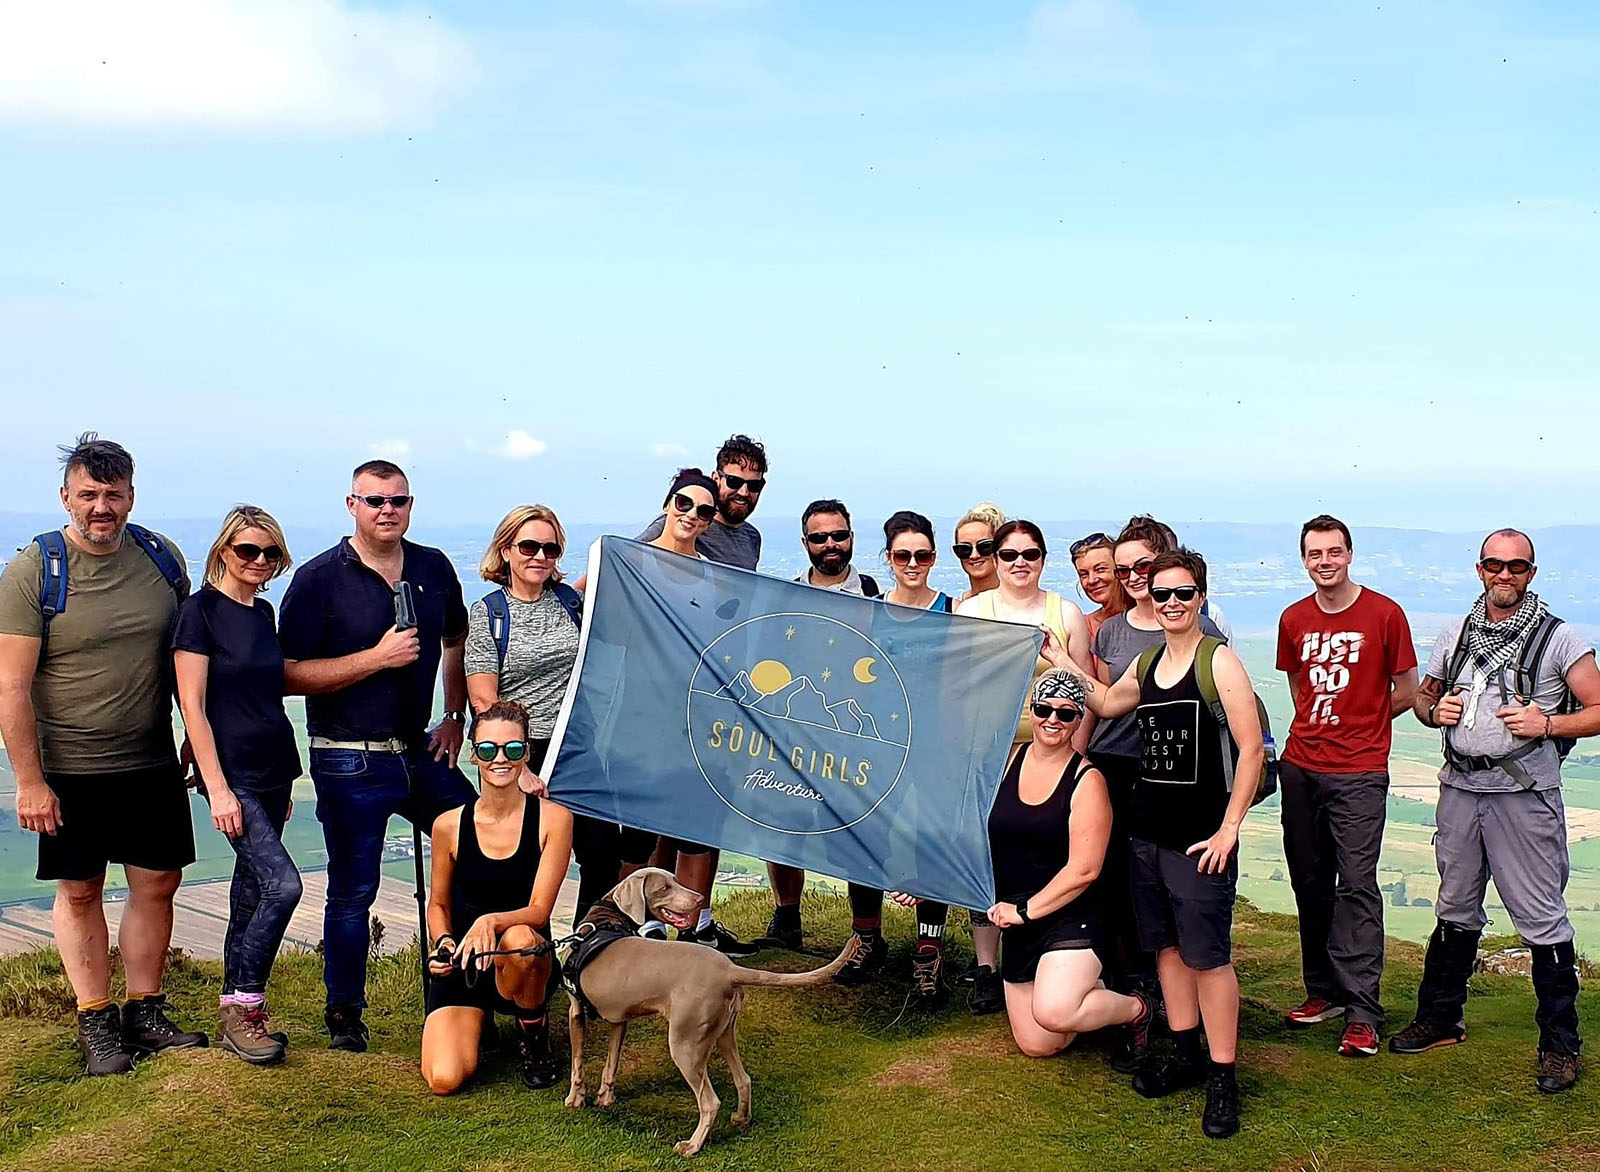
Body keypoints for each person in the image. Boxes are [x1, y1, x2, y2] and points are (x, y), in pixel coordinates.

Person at [0, 433, 207, 1075]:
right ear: (66, 497)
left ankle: (144, 1008)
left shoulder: (161, 557)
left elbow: (187, 661)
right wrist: (29, 782)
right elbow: (9, 685)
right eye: (88, 494)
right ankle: (96, 1020)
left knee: (158, 882)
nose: (101, 507)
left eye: (112, 495)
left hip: (149, 757)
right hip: (69, 766)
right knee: (81, 889)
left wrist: (193, 740)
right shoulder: (34, 570)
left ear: (130, 497)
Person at [278, 458, 477, 1052]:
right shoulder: (318, 580)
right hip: (347, 757)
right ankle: (344, 1017)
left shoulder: (432, 567)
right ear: (351, 505)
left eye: (398, 500)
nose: (387, 510)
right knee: (353, 891)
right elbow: (285, 674)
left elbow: (456, 637)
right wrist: (375, 658)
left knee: (478, 848)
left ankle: (469, 994)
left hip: (418, 749)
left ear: (410, 505)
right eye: (375, 501)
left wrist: (454, 715)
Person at [1392, 529, 1600, 1094]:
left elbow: (1599, 706)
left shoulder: (1561, 639)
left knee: (1540, 916)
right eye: (1493, 565)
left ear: (1532, 573)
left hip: (1524, 797)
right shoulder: (1456, 631)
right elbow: (1421, 697)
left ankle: (1559, 1048)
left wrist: (1549, 725)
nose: (1503, 575)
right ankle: (1439, 1019)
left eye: (1516, 567)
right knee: (1455, 903)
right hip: (1460, 788)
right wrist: (1435, 712)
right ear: (1479, 569)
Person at [1065, 548, 1260, 1140]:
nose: (1171, 603)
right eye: (1162, 593)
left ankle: (1224, 1075)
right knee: (1168, 951)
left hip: (1201, 840)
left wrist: (1229, 829)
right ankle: (1185, 1052)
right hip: (1147, 834)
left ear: (1201, 597)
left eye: (1184, 593)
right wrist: (1055, 658)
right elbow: (1102, 702)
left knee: (1209, 957)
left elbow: (1251, 751)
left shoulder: (1218, 661)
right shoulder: (1148, 664)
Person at [1275, 515, 1418, 1057]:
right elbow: (1297, 683)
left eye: (1334, 552)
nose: (1325, 561)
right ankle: (1324, 992)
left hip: (1359, 771)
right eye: (1315, 553)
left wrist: (1365, 727)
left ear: (1350, 554)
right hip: (1301, 764)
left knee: (1355, 884)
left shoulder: (1384, 614)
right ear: (1304, 559)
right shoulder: (1293, 618)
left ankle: (1363, 1011)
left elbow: (1404, 689)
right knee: (1308, 881)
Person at [1087, 517, 1226, 1063]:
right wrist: (1059, 661)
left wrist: (1229, 818)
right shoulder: (1117, 634)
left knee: (1183, 907)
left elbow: (1232, 728)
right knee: (1125, 893)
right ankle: (1139, 999)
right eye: (1125, 571)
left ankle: (1188, 1024)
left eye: (1143, 566)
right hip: (1119, 771)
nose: (1136, 578)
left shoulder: (1205, 637)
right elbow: (1104, 699)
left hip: (1179, 786)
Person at [173, 506, 304, 1065]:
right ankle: (245, 1007)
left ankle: (237, 1009)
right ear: (223, 550)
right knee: (285, 886)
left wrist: (286, 784)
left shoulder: (264, 612)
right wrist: (218, 788)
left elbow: (265, 696)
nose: (257, 562)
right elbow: (193, 708)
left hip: (275, 768)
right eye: (246, 550)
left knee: (250, 890)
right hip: (232, 775)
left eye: (268, 553)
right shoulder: (198, 612)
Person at [612, 469, 757, 956]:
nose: (692, 515)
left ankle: (692, 933)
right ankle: (636, 928)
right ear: (667, 504)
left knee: (695, 826)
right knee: (638, 830)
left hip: (698, 715)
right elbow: (586, 597)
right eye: (683, 504)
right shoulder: (635, 562)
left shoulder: (713, 575)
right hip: (643, 715)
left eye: (703, 511)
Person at [955, 519, 1092, 1015]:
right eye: (1007, 553)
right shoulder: (972, 611)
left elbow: (1087, 691)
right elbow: (954, 686)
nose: (1018, 563)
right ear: (994, 557)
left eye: (1029, 554)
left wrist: (1080, 758)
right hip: (986, 756)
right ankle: (987, 965)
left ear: (1042, 559)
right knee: (986, 855)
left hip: (1051, 754)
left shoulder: (1065, 614)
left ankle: (1048, 949)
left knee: (1043, 855)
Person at [987, 671, 1152, 1057]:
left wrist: (1025, 912)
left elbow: (1085, 870)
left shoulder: (1088, 780)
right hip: (1017, 916)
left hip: (1069, 915)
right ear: (1032, 710)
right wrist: (921, 881)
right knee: (1040, 1043)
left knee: (1055, 1011)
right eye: (1044, 709)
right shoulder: (1004, 763)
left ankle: (1136, 1008)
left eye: (1066, 713)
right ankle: (1088, 992)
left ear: (1080, 720)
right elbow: (967, 831)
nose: (1052, 721)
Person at [465, 504, 613, 923]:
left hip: (578, 745)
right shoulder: (490, 613)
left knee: (600, 857)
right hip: (515, 747)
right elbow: (484, 700)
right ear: (506, 550)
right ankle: (523, 960)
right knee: (522, 865)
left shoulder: (571, 602)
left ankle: (590, 954)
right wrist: (518, 763)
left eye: (551, 549)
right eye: (529, 545)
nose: (540, 557)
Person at [420, 700, 573, 1094]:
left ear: (526, 753)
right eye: (488, 749)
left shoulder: (554, 819)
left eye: (513, 749)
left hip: (518, 954)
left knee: (522, 941)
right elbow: (437, 905)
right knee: (444, 1079)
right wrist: (443, 943)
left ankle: (533, 1034)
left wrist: (489, 921)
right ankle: (479, 1018)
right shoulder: (447, 825)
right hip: (464, 960)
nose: (500, 759)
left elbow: (539, 912)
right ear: (473, 754)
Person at [834, 511, 957, 1001]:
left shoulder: (954, 610)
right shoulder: (871, 611)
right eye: (903, 555)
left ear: (933, 558)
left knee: (932, 842)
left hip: (935, 748)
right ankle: (867, 940)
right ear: (888, 559)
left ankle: (929, 955)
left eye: (922, 555)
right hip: (876, 744)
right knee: (865, 839)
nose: (913, 563)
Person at [1070, 531, 1129, 644]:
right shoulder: (1081, 627)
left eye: (1100, 569)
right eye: (1084, 574)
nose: (1092, 580)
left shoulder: (1151, 618)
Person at [951, 502, 1005, 604]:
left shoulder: (1017, 603)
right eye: (964, 549)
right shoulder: (957, 606)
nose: (974, 555)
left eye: (985, 547)